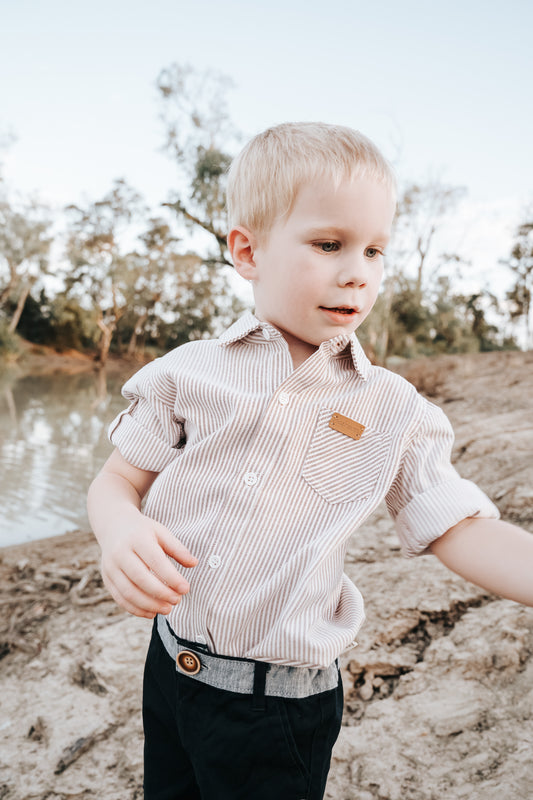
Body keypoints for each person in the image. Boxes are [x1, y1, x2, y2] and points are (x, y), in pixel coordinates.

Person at [87, 122, 533, 800]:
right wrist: (117, 527)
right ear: (247, 250)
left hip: (279, 710)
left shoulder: (393, 408)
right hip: (168, 670)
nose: (357, 270)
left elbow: (459, 526)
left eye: (375, 250)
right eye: (329, 244)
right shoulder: (187, 374)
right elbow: (118, 480)